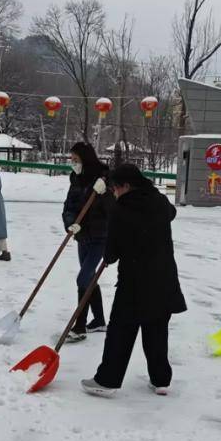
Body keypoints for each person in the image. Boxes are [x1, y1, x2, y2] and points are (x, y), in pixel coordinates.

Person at [81, 164, 187, 398]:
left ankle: (107, 380)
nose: (114, 192)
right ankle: (161, 380)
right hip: (164, 278)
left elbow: (111, 254)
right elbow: (171, 213)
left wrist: (111, 252)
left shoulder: (121, 210)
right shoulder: (159, 201)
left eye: (115, 188)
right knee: (156, 330)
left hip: (134, 282)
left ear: (126, 186)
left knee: (120, 331)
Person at [62, 141, 110, 342]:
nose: (73, 163)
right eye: (71, 159)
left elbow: (112, 208)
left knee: (83, 279)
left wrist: (104, 192)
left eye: (76, 159)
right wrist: (71, 223)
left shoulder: (105, 177)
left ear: (86, 159)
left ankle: (80, 326)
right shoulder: (76, 178)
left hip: (101, 236)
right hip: (83, 236)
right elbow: (69, 206)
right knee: (89, 278)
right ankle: (99, 320)